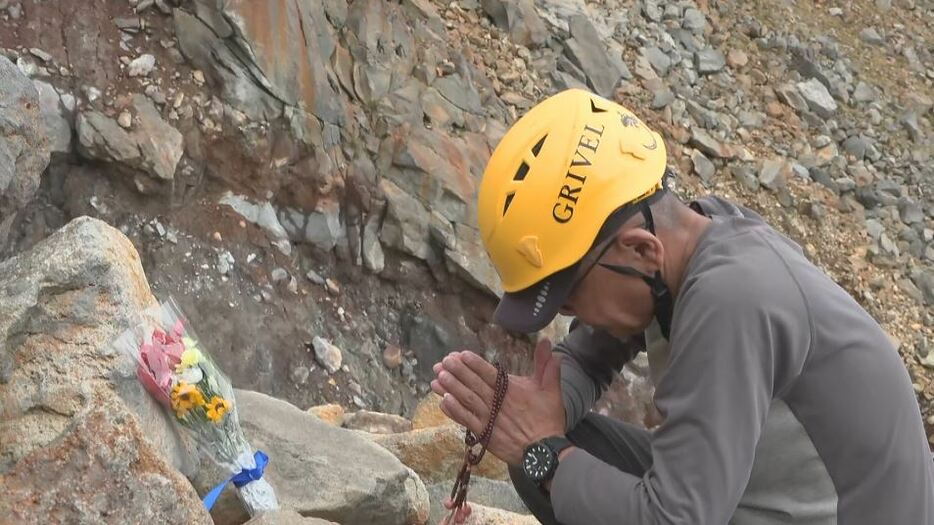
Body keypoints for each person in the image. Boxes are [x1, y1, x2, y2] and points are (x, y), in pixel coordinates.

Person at [431, 88, 934, 524]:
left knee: (545, 462)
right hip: (763, 500)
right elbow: (587, 357)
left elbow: (676, 519)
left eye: (569, 293)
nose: (566, 316)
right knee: (545, 459)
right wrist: (546, 405)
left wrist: (543, 450)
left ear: (640, 250)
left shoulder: (732, 303)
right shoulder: (684, 243)